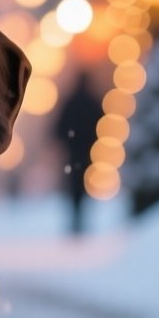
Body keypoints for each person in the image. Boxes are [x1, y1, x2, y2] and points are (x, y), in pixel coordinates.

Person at [54, 72, 100, 235]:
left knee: (74, 183)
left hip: (72, 151)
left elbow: (59, 126)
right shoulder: (92, 101)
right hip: (87, 150)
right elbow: (100, 122)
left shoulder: (71, 102)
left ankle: (76, 217)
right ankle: (80, 217)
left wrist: (66, 141)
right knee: (84, 183)